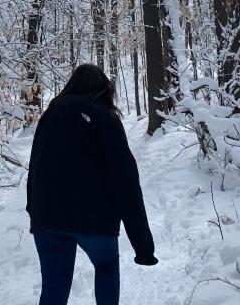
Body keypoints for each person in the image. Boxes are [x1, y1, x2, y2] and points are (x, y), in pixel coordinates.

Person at [25, 64, 157, 305]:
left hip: (48, 219)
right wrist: (143, 246)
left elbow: (35, 166)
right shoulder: (105, 117)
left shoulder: (50, 114)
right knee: (106, 267)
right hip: (95, 222)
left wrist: (33, 209)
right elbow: (126, 182)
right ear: (104, 88)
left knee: (53, 289)